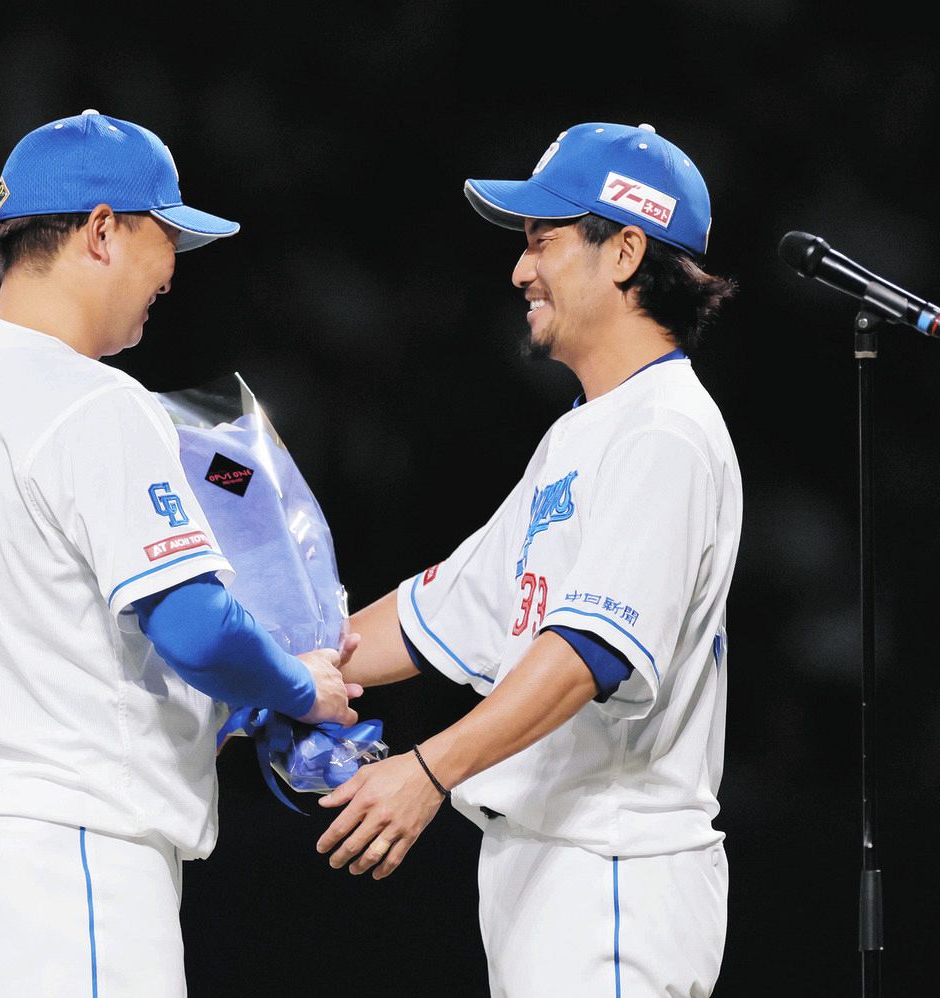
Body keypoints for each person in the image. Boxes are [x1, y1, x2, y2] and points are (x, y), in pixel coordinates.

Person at [0, 109, 360, 998]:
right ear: (102, 231)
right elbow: (193, 625)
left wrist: (210, 713)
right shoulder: (88, 398)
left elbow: (56, 632)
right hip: (62, 838)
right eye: (164, 235)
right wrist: (301, 684)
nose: (172, 271)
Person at [316, 121, 742, 996]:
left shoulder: (665, 431)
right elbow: (439, 610)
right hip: (550, 868)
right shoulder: (584, 433)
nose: (520, 270)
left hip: (616, 872)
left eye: (542, 240)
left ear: (625, 250)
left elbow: (590, 653)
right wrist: (290, 664)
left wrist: (430, 769)